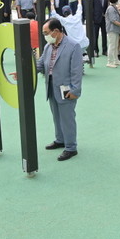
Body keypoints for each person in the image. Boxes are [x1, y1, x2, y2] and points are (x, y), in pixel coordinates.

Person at [37, 18, 83, 161]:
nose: (45, 35)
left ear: (56, 31)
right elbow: (40, 65)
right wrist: (23, 72)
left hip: (66, 88)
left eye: (46, 32)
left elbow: (76, 71)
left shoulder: (73, 46)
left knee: (67, 118)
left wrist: (75, 91)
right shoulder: (48, 46)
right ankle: (60, 139)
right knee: (56, 116)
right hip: (51, 86)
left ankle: (71, 147)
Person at [104, 0, 120, 67]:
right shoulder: (111, 8)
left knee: (115, 45)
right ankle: (109, 61)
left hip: (115, 29)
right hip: (112, 29)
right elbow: (113, 20)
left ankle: (115, 60)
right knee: (112, 45)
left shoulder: (114, 7)